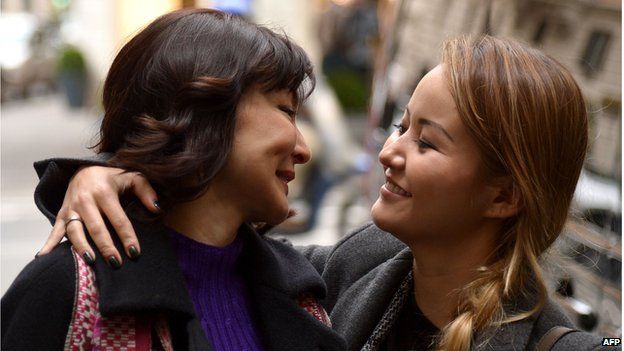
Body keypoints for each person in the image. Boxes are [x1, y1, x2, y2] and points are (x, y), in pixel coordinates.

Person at [19, 36, 616, 350]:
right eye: (399, 125)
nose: (388, 152)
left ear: (503, 196)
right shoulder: (341, 271)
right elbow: (206, 250)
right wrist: (99, 174)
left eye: (426, 144)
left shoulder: (559, 342)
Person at [1, 8, 347, 351]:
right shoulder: (69, 288)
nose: (303, 149)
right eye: (286, 111)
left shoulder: (301, 291)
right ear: (205, 111)